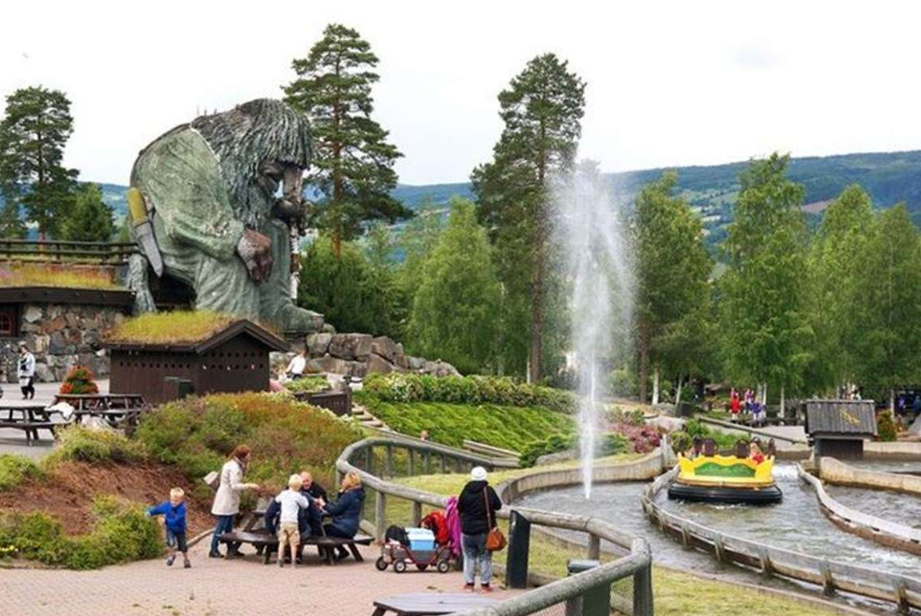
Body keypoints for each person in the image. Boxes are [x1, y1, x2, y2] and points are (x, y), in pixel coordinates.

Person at [457, 466, 502, 593]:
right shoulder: (488, 491)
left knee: (469, 556)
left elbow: (460, 507)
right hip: (484, 531)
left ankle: (469, 584)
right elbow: (498, 506)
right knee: (485, 556)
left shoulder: (466, 490)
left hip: (467, 530)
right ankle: (485, 584)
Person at [209, 445, 259, 558]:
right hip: (226, 500)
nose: (250, 457)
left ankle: (231, 549)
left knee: (228, 527)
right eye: (248, 455)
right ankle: (213, 549)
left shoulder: (234, 464)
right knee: (221, 526)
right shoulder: (234, 467)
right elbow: (234, 485)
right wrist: (249, 485)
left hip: (229, 499)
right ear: (243, 456)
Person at [322, 471, 366, 561]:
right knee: (328, 529)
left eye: (345, 479)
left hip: (343, 527)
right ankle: (341, 551)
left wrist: (323, 504)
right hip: (352, 528)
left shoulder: (349, 495)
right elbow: (340, 505)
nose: (343, 481)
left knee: (323, 530)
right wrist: (341, 492)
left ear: (349, 482)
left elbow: (335, 510)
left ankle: (331, 555)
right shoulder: (357, 494)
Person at [147, 487, 191, 568]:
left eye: (176, 501)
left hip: (180, 529)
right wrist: (150, 512)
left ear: (181, 500)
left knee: (183, 546)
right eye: (172, 500)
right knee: (170, 542)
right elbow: (158, 509)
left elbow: (177, 520)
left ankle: (186, 559)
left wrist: (165, 521)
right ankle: (172, 555)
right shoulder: (167, 505)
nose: (174, 502)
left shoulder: (182, 509)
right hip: (170, 529)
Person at [274, 474, 309, 568]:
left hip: (283, 522)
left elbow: (277, 500)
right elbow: (305, 505)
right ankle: (293, 561)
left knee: (282, 542)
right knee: (293, 543)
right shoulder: (297, 496)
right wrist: (303, 498)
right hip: (293, 522)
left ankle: (279, 560)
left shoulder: (284, 494)